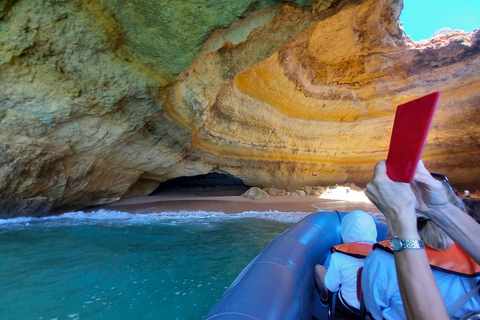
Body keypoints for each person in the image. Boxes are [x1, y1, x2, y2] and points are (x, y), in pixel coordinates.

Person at [364, 160, 480, 320]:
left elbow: (375, 309)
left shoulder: (380, 260)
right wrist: (440, 208)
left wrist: (399, 217)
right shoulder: (470, 259)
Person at [315, 210, 377, 319]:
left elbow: (331, 286)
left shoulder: (338, 256)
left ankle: (324, 302)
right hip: (374, 311)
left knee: (318, 269)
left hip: (346, 309)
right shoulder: (382, 255)